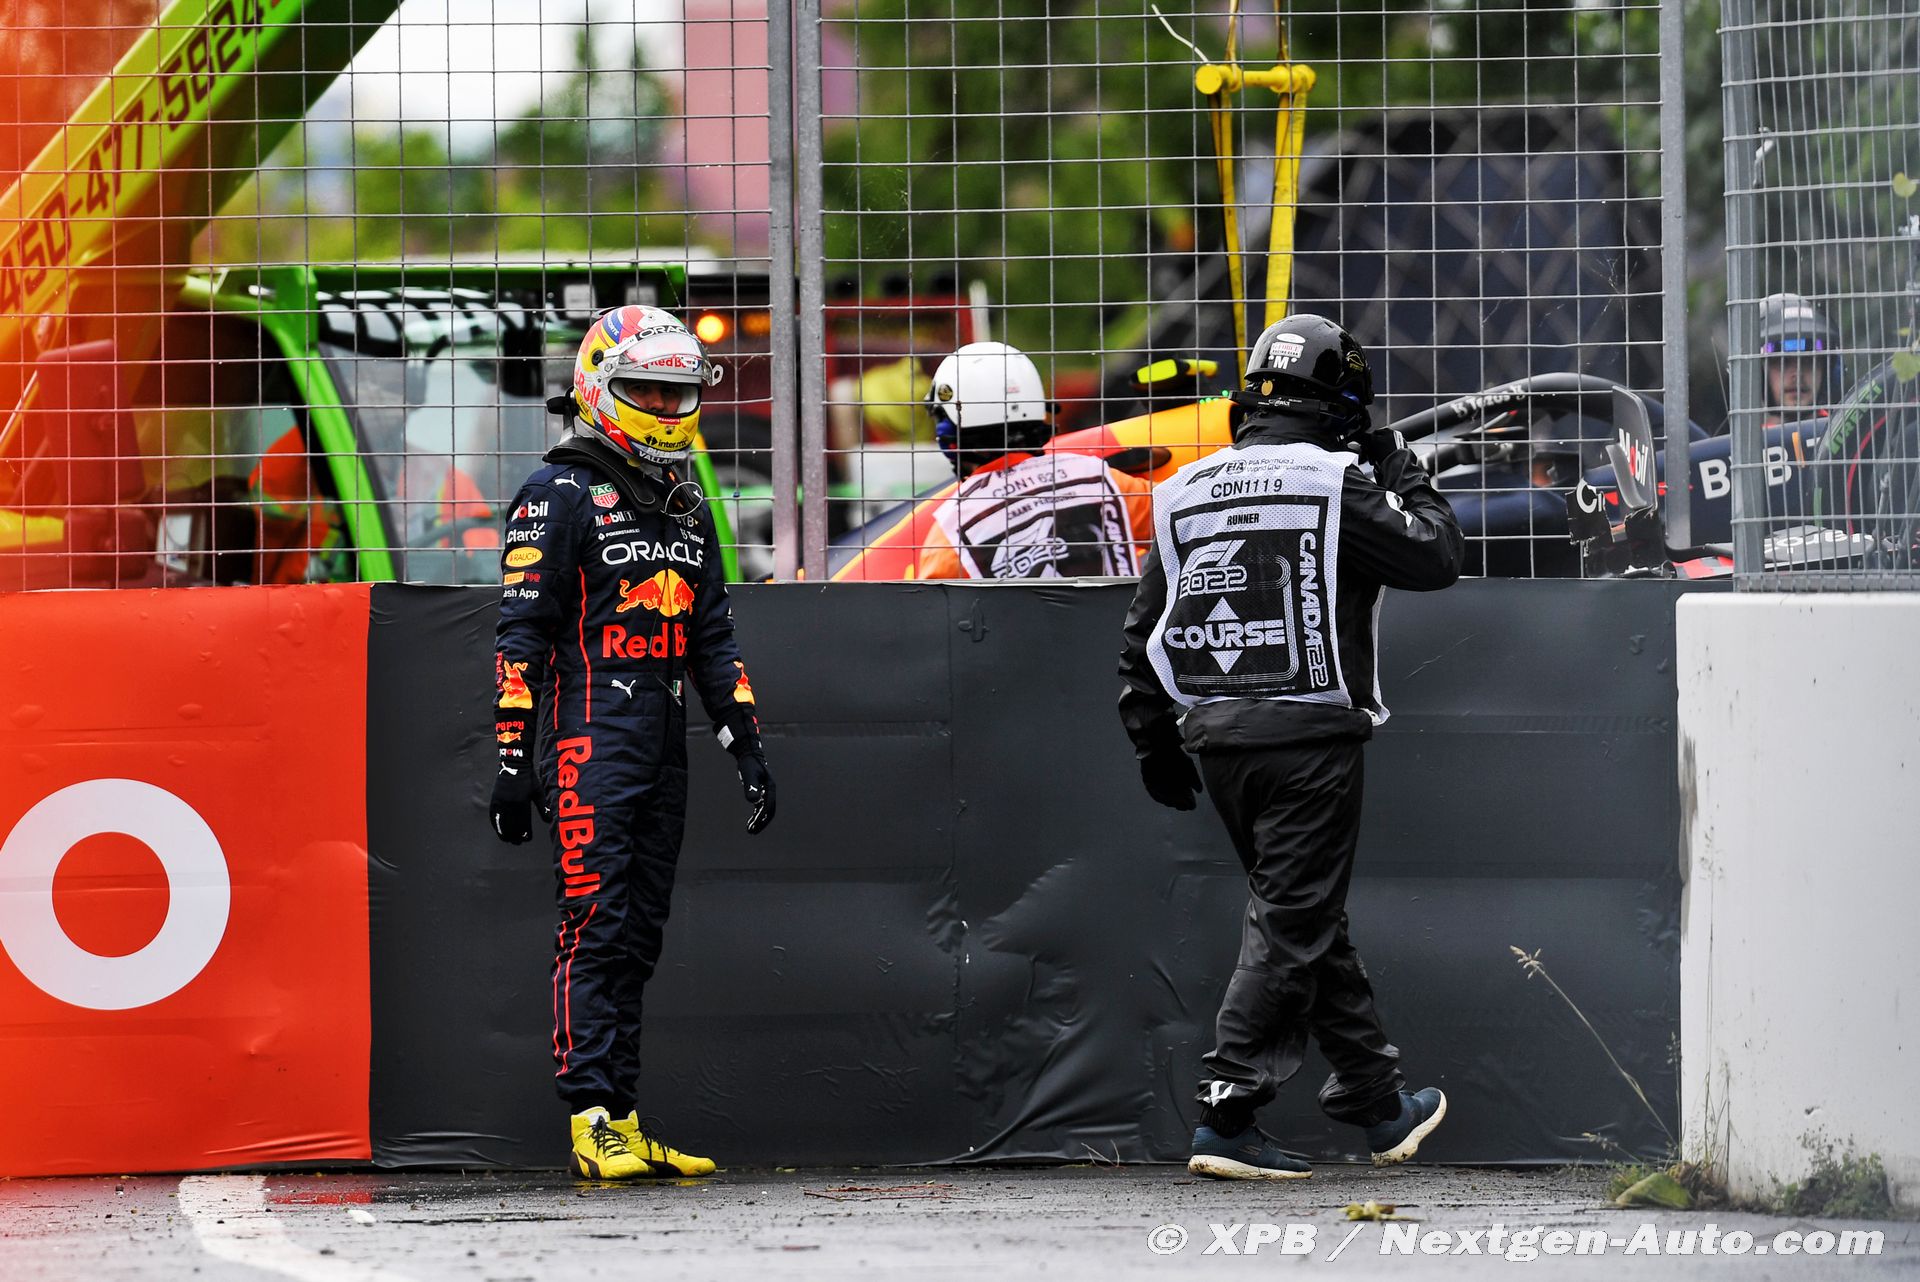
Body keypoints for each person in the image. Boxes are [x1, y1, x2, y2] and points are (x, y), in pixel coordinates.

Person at [1117, 314, 1465, 1180]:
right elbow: (1435, 555)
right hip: (1310, 742)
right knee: (1291, 923)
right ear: (1342, 408)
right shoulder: (1337, 482)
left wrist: (1153, 741)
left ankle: (1376, 1101)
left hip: (1218, 744)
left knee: (1301, 918)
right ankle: (1227, 1109)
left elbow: (1143, 632)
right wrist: (1399, 465)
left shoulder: (1186, 488)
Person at [488, 304, 775, 1181]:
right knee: (596, 924)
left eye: (676, 393)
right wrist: (512, 759)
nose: (663, 406)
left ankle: (623, 1113)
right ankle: (588, 1118)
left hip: (662, 742)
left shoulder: (686, 502)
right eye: (646, 390)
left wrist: (745, 744)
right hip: (586, 736)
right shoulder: (556, 492)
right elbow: (520, 636)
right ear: (600, 387)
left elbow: (712, 637)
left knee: (639, 934)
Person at [916, 341, 1154, 579]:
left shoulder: (950, 534)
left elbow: (931, 601)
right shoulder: (1101, 480)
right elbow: (1173, 521)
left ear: (952, 430)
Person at [1757, 292, 1837, 429]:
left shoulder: (1848, 435)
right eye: (1783, 362)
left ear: (1828, 371)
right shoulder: (1747, 443)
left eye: (1808, 361)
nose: (1797, 374)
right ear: (1760, 374)